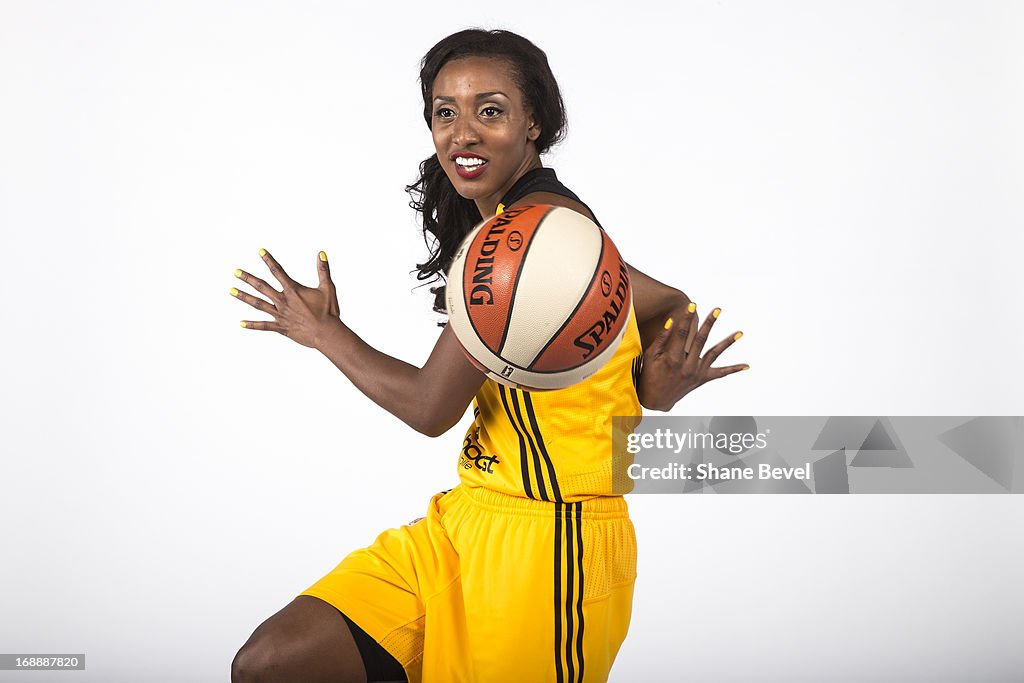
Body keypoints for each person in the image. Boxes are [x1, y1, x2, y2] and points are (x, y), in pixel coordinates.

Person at [228, 28, 747, 683]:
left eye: (490, 110)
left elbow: (428, 406)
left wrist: (323, 330)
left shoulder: (533, 238)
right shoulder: (522, 224)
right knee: (272, 663)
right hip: (464, 522)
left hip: (551, 546)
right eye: (446, 112)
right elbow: (667, 300)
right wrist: (652, 378)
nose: (462, 131)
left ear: (533, 122)